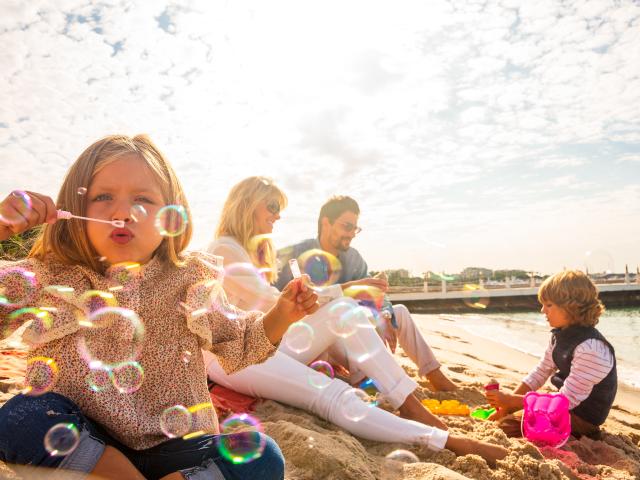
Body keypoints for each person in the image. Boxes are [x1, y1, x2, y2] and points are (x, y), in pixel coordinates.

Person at [0, 135, 320, 480]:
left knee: (263, 456)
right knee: (20, 416)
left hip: (178, 451)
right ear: (72, 213)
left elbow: (241, 340)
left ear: (170, 217)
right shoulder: (51, 276)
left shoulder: (190, 279)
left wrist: (283, 315)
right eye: (103, 197)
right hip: (85, 446)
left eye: (143, 199)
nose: (122, 212)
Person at [203, 177, 508, 466]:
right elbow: (272, 302)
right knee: (328, 393)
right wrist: (339, 290)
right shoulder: (224, 249)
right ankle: (440, 439)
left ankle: (410, 404)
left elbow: (277, 316)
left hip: (264, 343)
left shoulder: (254, 252)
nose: (278, 216)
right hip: (234, 355)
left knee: (343, 311)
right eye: (272, 207)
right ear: (245, 203)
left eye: (279, 209)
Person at [275, 195, 456, 391]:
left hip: (350, 338)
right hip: (313, 338)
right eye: (347, 226)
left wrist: (385, 313)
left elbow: (375, 294)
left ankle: (434, 374)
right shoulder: (296, 254)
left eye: (355, 228)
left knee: (399, 312)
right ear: (326, 223)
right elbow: (284, 301)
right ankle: (365, 380)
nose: (352, 233)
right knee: (343, 313)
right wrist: (351, 290)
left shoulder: (353, 258)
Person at [485, 270, 617, 439]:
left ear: (572, 308)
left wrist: (513, 401)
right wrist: (506, 406)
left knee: (509, 426)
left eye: (549, 305)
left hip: (580, 417)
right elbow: (540, 372)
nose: (542, 310)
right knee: (510, 417)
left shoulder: (591, 348)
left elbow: (565, 401)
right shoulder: (559, 335)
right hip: (563, 405)